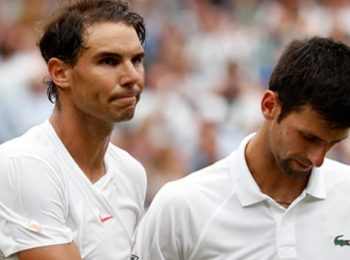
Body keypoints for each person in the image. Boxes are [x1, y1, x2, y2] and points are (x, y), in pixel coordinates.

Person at [133, 36, 350, 260]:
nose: (318, 158)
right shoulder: (182, 206)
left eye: (333, 143)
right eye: (308, 137)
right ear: (269, 106)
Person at [0, 0, 147, 259]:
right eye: (109, 61)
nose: (132, 76)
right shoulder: (22, 163)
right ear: (60, 72)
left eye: (136, 60)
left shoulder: (131, 172)